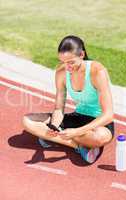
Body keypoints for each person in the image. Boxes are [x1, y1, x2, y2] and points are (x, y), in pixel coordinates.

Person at [23, 35, 114, 164]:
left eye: (71, 62)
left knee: (99, 138)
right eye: (63, 62)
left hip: (99, 123)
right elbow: (59, 108)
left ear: (82, 54)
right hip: (77, 118)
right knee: (27, 121)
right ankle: (78, 146)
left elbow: (108, 115)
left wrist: (77, 131)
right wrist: (54, 126)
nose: (67, 67)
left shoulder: (97, 71)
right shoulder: (61, 72)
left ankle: (64, 139)